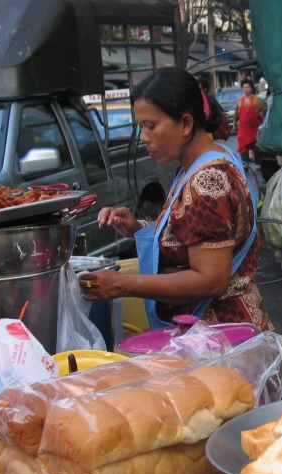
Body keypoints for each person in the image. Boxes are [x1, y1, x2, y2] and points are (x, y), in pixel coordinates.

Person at [80, 67, 272, 331]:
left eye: (151, 126)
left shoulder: (207, 180)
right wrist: (138, 228)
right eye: (140, 127)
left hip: (220, 336)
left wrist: (122, 284)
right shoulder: (208, 159)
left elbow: (211, 280)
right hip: (216, 332)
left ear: (185, 123)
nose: (144, 138)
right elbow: (197, 238)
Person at [234, 78, 266, 164]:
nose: (245, 89)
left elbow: (264, 110)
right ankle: (245, 163)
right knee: (242, 145)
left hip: (255, 127)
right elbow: (236, 114)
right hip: (243, 128)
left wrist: (262, 115)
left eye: (247, 87)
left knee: (256, 145)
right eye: (244, 87)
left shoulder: (257, 100)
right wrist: (234, 124)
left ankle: (258, 163)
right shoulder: (239, 100)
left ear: (251, 88)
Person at [197, 75, 231, 142]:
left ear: (205, 89)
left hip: (212, 133)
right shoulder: (201, 99)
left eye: (199, 88)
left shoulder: (208, 100)